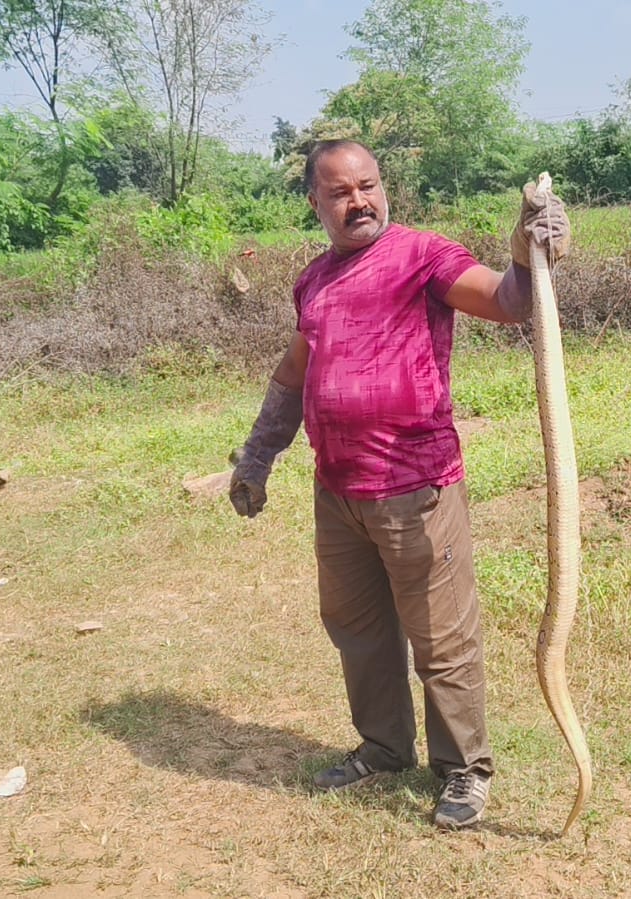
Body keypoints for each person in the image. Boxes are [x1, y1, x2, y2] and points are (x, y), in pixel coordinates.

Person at [228, 140, 569, 829]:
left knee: (441, 639)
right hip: (338, 491)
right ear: (314, 202)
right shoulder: (314, 279)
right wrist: (258, 454)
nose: (359, 201)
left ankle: (464, 770)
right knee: (358, 630)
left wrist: (528, 248)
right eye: (340, 192)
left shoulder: (421, 255)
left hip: (417, 489)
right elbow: (296, 371)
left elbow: (507, 301)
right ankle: (384, 748)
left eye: (369, 185)